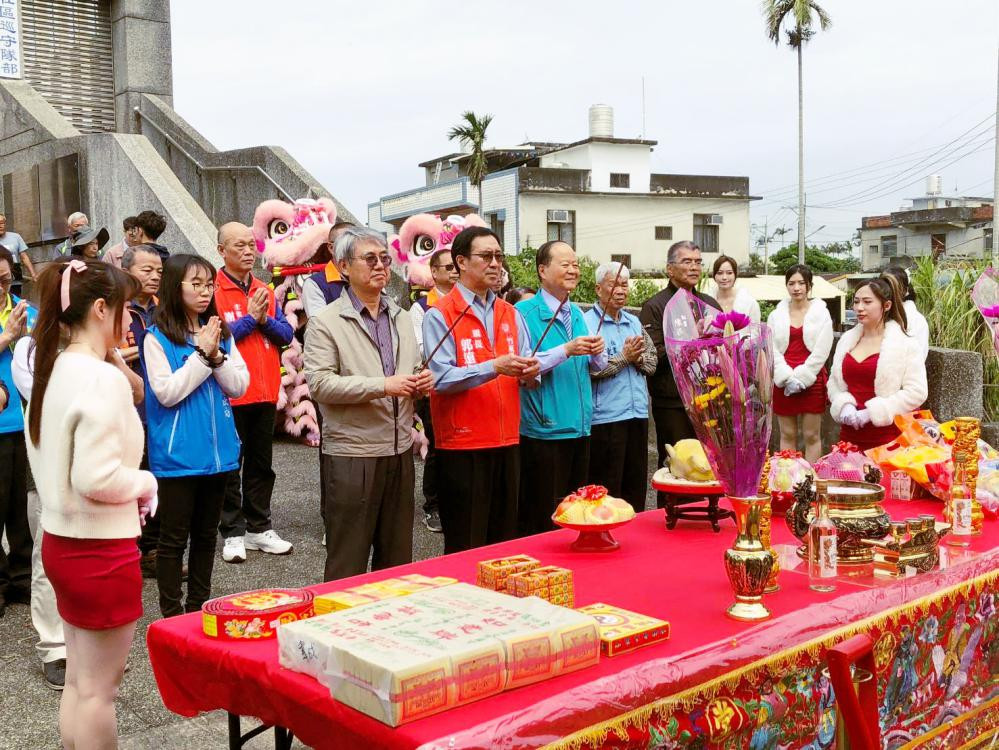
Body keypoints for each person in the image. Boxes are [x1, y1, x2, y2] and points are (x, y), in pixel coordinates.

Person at [25, 258, 158, 749]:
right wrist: (144, 482)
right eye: (124, 309)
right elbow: (96, 476)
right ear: (102, 309)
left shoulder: (57, 366)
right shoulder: (100, 379)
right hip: (101, 551)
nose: (129, 319)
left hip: (62, 543)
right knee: (101, 691)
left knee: (82, 683)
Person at [304, 227, 430, 580]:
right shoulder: (326, 322)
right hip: (353, 453)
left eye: (385, 259)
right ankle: (339, 631)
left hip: (399, 449)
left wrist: (421, 381)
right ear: (343, 266)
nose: (381, 266)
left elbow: (410, 368)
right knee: (349, 560)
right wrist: (384, 386)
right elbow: (320, 384)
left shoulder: (401, 316)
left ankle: (388, 630)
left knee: (397, 559)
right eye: (370, 259)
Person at [143, 254, 249, 616]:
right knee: (173, 540)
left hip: (219, 455)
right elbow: (167, 392)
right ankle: (172, 616)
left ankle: (200, 606)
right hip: (178, 457)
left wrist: (216, 355)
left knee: (206, 537)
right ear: (176, 287)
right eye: (196, 284)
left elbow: (239, 386)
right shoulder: (157, 338)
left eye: (209, 285)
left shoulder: (219, 332)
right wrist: (202, 356)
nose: (205, 293)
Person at [423, 226, 540, 553]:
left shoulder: (511, 312)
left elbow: (525, 366)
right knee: (466, 541)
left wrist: (529, 373)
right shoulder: (441, 314)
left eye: (499, 257)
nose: (495, 264)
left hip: (507, 439)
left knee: (504, 543)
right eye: (486, 256)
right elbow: (440, 377)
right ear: (460, 261)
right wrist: (494, 367)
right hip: (463, 444)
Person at [214, 222, 295, 563]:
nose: (248, 252)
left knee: (262, 465)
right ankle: (232, 532)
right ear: (222, 251)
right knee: (231, 466)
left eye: (251, 245)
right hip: (230, 394)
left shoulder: (263, 288)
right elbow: (216, 337)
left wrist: (261, 320)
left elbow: (286, 334)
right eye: (239, 246)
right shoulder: (212, 290)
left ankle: (259, 528)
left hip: (264, 391)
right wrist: (251, 319)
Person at [516, 240, 607, 536]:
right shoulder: (524, 312)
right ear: (543, 270)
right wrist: (566, 349)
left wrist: (597, 350)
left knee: (576, 510)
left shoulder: (577, 313)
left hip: (581, 426)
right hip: (545, 429)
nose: (573, 270)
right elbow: (523, 364)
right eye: (565, 264)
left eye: (576, 264)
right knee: (545, 515)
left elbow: (598, 367)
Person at [639, 240, 717, 507]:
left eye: (698, 262)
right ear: (670, 269)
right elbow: (653, 355)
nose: (694, 267)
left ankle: (706, 513)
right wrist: (690, 341)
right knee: (677, 465)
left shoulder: (708, 303)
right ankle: (670, 515)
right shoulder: (656, 306)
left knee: (708, 465)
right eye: (687, 262)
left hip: (707, 400)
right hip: (671, 401)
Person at [585, 262, 657, 512]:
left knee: (635, 485)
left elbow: (651, 362)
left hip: (637, 413)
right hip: (606, 417)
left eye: (624, 284)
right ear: (598, 288)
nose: (620, 290)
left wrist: (636, 359)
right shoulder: (587, 324)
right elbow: (591, 370)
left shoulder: (634, 323)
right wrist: (625, 358)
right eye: (614, 284)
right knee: (607, 486)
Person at [828, 276, 927, 453]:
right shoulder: (846, 341)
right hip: (849, 435)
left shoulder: (905, 344)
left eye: (867, 302)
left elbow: (917, 392)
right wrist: (844, 404)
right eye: (856, 302)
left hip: (888, 439)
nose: (859, 308)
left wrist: (873, 412)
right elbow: (834, 382)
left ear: (886, 306)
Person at [120, 244, 164, 576]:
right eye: (146, 270)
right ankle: (135, 548)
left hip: (164, 404)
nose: (154, 276)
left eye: (159, 271)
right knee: (133, 476)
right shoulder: (120, 309)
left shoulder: (163, 308)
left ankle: (155, 548)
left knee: (158, 476)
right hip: (130, 406)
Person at [409, 247, 459, 533]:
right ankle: (433, 506)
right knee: (437, 447)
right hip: (434, 388)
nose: (454, 272)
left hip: (464, 384)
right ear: (435, 272)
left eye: (456, 267)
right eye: (448, 267)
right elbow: (421, 349)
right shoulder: (422, 307)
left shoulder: (467, 302)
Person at [0, 247, 35, 620]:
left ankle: (22, 577)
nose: (2, 286)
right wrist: (8, 337)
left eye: (7, 279)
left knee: (21, 509)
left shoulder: (28, 311)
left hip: (24, 422)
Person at [768, 264, 833, 464]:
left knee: (811, 435)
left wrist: (804, 376)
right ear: (786, 286)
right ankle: (787, 479)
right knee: (787, 434)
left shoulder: (821, 313)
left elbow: (823, 350)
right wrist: (785, 376)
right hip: (783, 381)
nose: (796, 288)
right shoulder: (775, 315)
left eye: (801, 283)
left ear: (809, 286)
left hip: (811, 380)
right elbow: (771, 349)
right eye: (791, 283)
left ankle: (810, 481)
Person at [301, 221, 354, 318]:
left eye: (358, 242)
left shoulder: (371, 276)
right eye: (347, 243)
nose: (354, 248)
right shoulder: (315, 284)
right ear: (331, 248)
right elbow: (321, 327)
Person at [881, 266, 929, 360]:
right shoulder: (877, 313)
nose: (889, 292)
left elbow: (918, 359)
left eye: (894, 286)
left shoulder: (916, 320)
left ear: (905, 290)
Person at [709, 255, 760, 322]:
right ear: (714, 276)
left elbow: (755, 330)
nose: (724, 277)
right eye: (720, 273)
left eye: (729, 273)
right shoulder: (706, 303)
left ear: (735, 275)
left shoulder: (749, 303)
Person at [0, 213, 37, 294]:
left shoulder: (16, 237)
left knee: (15, 301)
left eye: (2, 223)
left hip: (15, 280)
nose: (0, 225)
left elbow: (24, 257)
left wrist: (33, 274)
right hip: (1, 280)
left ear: (5, 224)